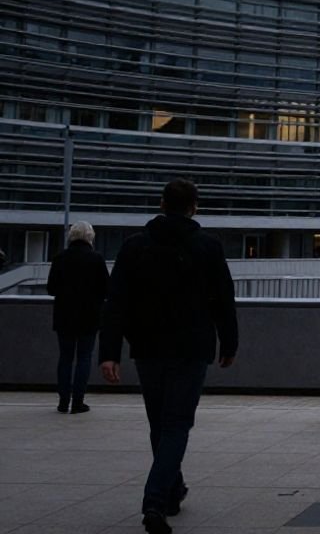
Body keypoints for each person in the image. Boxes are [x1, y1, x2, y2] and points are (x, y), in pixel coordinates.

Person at [99, 179, 239, 534]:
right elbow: (224, 298)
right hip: (192, 348)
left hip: (147, 347)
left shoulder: (135, 247)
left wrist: (110, 352)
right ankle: (155, 501)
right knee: (176, 424)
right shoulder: (208, 246)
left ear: (162, 204)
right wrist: (229, 342)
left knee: (160, 423)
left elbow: (116, 302)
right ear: (194, 207)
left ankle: (172, 491)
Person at [46, 221, 109, 414]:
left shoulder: (60, 258)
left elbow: (51, 288)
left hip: (64, 315)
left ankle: (63, 401)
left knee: (65, 358)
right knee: (84, 357)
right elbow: (106, 288)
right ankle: (78, 401)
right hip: (89, 316)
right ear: (90, 237)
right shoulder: (96, 259)